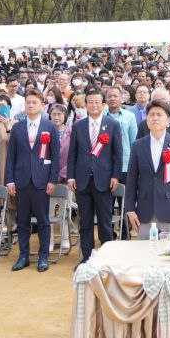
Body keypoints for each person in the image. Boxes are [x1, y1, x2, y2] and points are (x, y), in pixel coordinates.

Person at [5, 91, 62, 271]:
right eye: (28, 102)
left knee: (43, 220)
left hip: (41, 180)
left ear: (42, 105)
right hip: (21, 179)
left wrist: (52, 180)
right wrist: (9, 181)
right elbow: (11, 156)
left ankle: (43, 256)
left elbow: (55, 156)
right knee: (22, 221)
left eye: (34, 102)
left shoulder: (50, 126)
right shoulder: (17, 127)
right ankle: (23, 256)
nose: (30, 105)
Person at [66, 89, 123, 264]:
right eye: (90, 102)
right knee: (85, 222)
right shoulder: (78, 126)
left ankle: (106, 259)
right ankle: (87, 259)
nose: (94, 105)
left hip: (104, 181)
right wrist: (71, 177)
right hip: (82, 181)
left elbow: (117, 154)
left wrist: (115, 176)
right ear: (85, 104)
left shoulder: (112, 125)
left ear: (103, 104)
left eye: (97, 102)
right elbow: (72, 154)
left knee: (105, 222)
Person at [124, 101, 170, 239]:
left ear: (168, 120)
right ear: (146, 119)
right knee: (145, 250)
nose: (155, 118)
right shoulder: (138, 145)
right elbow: (131, 180)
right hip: (144, 210)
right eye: (151, 115)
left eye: (159, 115)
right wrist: (130, 209)